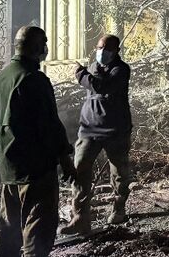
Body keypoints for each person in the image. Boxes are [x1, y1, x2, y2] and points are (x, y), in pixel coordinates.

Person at [0, 26, 76, 257]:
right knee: (38, 227)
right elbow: (49, 126)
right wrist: (65, 160)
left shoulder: (0, 79)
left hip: (8, 166)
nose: (46, 48)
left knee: (8, 227)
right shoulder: (33, 79)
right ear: (37, 47)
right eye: (44, 43)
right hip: (35, 169)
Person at [60, 35, 133, 236]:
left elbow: (101, 86)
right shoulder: (94, 67)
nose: (102, 52)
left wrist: (80, 74)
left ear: (116, 50)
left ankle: (119, 208)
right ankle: (80, 218)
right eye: (99, 48)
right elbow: (94, 82)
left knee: (119, 173)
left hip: (115, 130)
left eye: (107, 49)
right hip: (89, 129)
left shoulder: (121, 70)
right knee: (79, 169)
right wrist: (87, 73)